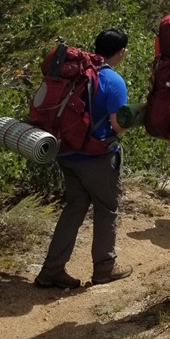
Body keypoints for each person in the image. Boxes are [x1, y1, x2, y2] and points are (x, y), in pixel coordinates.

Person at [35, 28, 132, 289]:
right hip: (96, 156)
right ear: (121, 52)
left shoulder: (78, 73)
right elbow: (117, 125)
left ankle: (51, 270)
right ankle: (105, 268)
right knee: (107, 207)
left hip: (65, 151)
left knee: (75, 207)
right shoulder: (113, 81)